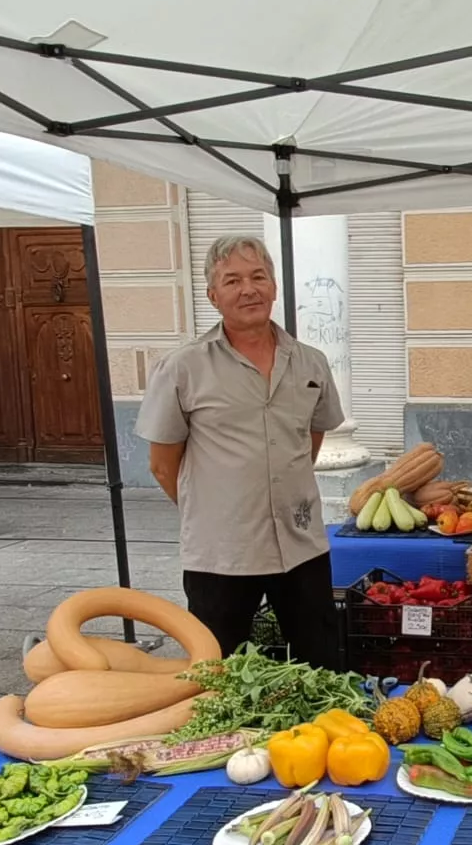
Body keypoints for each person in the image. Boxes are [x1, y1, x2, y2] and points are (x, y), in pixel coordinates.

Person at [138, 235, 344, 666]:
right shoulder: (183, 367)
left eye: (258, 277)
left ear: (273, 286)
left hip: (300, 545)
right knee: (217, 671)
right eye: (232, 281)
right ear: (214, 296)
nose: (248, 289)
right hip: (222, 552)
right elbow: (162, 465)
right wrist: (213, 509)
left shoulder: (310, 362)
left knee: (321, 662)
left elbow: (311, 439)